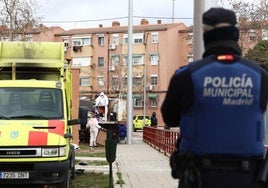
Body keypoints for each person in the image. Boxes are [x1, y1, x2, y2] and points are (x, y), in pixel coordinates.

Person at [161, 7, 268, 188]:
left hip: (200, 176)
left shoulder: (186, 75)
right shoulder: (260, 76)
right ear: (235, 33)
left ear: (205, 34)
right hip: (249, 177)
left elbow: (169, 117)